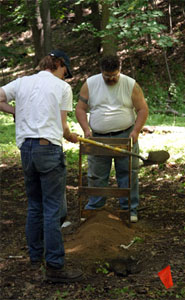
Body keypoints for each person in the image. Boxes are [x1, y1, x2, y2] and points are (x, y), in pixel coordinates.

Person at [0, 50, 83, 283]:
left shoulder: (23, 82)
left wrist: (17, 111)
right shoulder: (62, 88)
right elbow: (63, 126)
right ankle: (55, 266)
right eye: (65, 69)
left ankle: (36, 258)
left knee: (35, 205)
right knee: (53, 208)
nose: (65, 75)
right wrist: (70, 136)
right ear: (58, 64)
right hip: (48, 148)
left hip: (26, 150)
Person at [76, 55, 148, 222]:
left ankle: (129, 209)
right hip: (98, 137)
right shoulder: (90, 84)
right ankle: (95, 207)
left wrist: (136, 131)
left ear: (120, 70)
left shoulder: (130, 84)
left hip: (125, 134)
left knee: (128, 173)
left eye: (114, 75)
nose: (110, 79)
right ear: (101, 71)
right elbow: (80, 108)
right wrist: (86, 129)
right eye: (107, 76)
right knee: (97, 174)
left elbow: (142, 109)